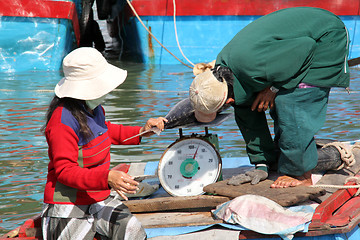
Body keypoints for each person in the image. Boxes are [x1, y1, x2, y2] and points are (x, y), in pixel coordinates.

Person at [189, 7, 350, 188]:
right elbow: (247, 114)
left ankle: (301, 175)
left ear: (228, 101)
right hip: (290, 51)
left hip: (325, 37)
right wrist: (261, 164)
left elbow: (305, 47)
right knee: (251, 102)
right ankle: (274, 158)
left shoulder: (250, 63)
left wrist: (273, 88)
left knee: (288, 100)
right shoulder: (223, 72)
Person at [41, 47, 167, 239]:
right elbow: (65, 171)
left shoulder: (94, 109)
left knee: (132, 229)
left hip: (98, 196)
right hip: (67, 203)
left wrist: (142, 131)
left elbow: (106, 130)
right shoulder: (62, 120)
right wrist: (107, 177)